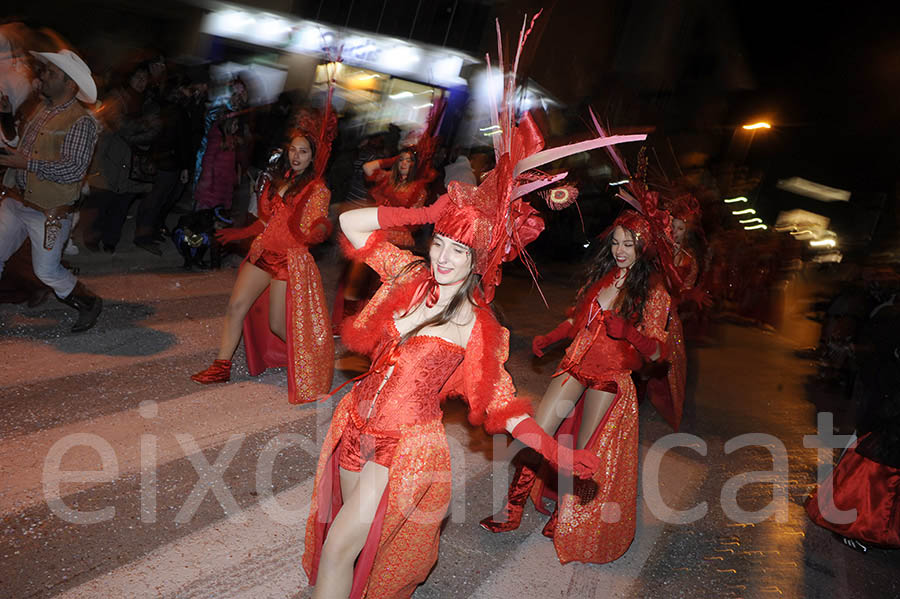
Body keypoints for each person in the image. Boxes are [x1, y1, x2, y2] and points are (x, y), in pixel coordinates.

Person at [301, 188, 601, 599]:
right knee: (360, 546)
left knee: (339, 546)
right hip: (353, 426)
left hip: (402, 448)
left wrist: (555, 452)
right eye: (439, 243)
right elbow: (351, 224)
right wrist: (422, 212)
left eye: (458, 250)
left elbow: (500, 404)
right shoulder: (408, 274)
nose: (442, 258)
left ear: (477, 260)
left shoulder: (476, 326)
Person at [481, 209, 673, 565]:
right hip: (575, 362)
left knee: (582, 451)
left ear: (642, 247)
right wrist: (549, 337)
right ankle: (512, 508)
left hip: (610, 375)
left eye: (628, 245)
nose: (619, 251)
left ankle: (561, 517)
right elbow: (576, 318)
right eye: (615, 243)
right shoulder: (604, 276)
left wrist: (629, 334)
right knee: (537, 433)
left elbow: (660, 350)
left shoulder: (654, 291)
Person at [190, 107, 336, 404]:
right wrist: (239, 234)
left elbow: (319, 220)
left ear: (313, 156)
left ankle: (312, 362)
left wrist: (319, 231)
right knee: (236, 305)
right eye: (293, 150)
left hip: (288, 259)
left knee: (278, 325)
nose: (296, 157)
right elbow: (268, 221)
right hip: (264, 252)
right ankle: (221, 366)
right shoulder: (281, 178)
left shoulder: (317, 188)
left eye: (303, 152)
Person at [0, 48, 102, 333]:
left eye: (51, 72)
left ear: (70, 84)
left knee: (46, 271)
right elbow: (22, 147)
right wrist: (7, 118)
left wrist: (26, 162)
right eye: (45, 70)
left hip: (48, 213)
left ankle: (89, 303)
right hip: (16, 200)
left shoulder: (82, 122)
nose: (43, 75)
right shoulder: (41, 109)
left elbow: (73, 170)